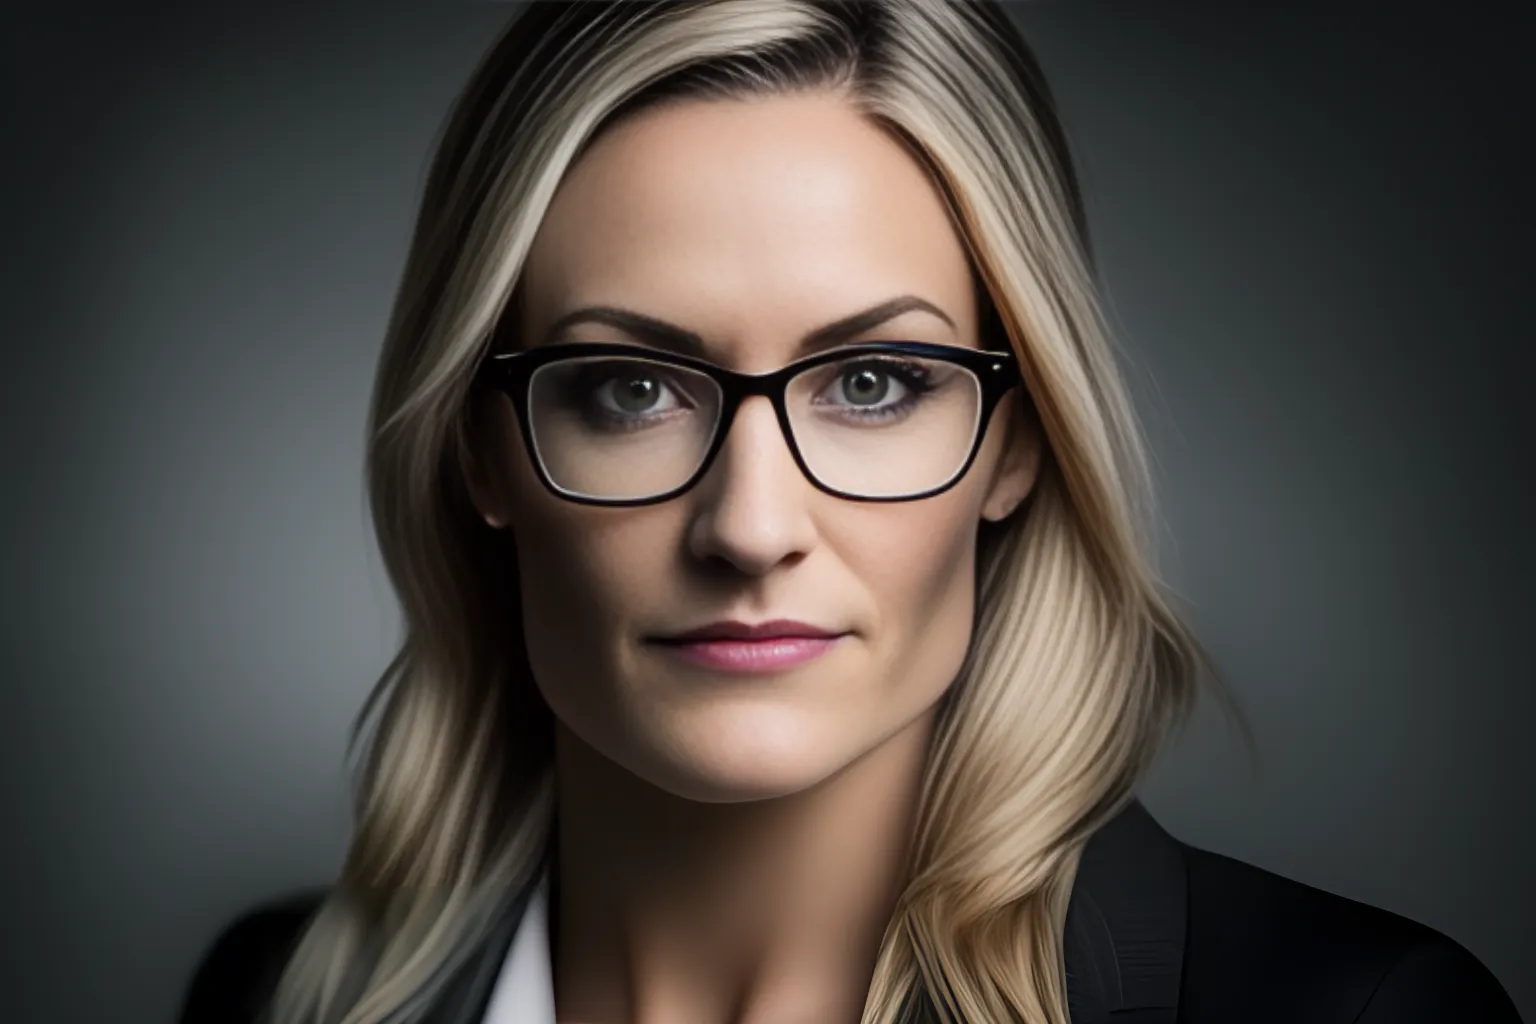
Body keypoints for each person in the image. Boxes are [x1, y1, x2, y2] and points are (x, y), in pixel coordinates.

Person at [179, 2, 1523, 1022]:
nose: (750, 526)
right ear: (483, 450)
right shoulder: (273, 996)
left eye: (875, 383)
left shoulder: (1361, 1013)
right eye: (631, 387)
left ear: (1019, 440)